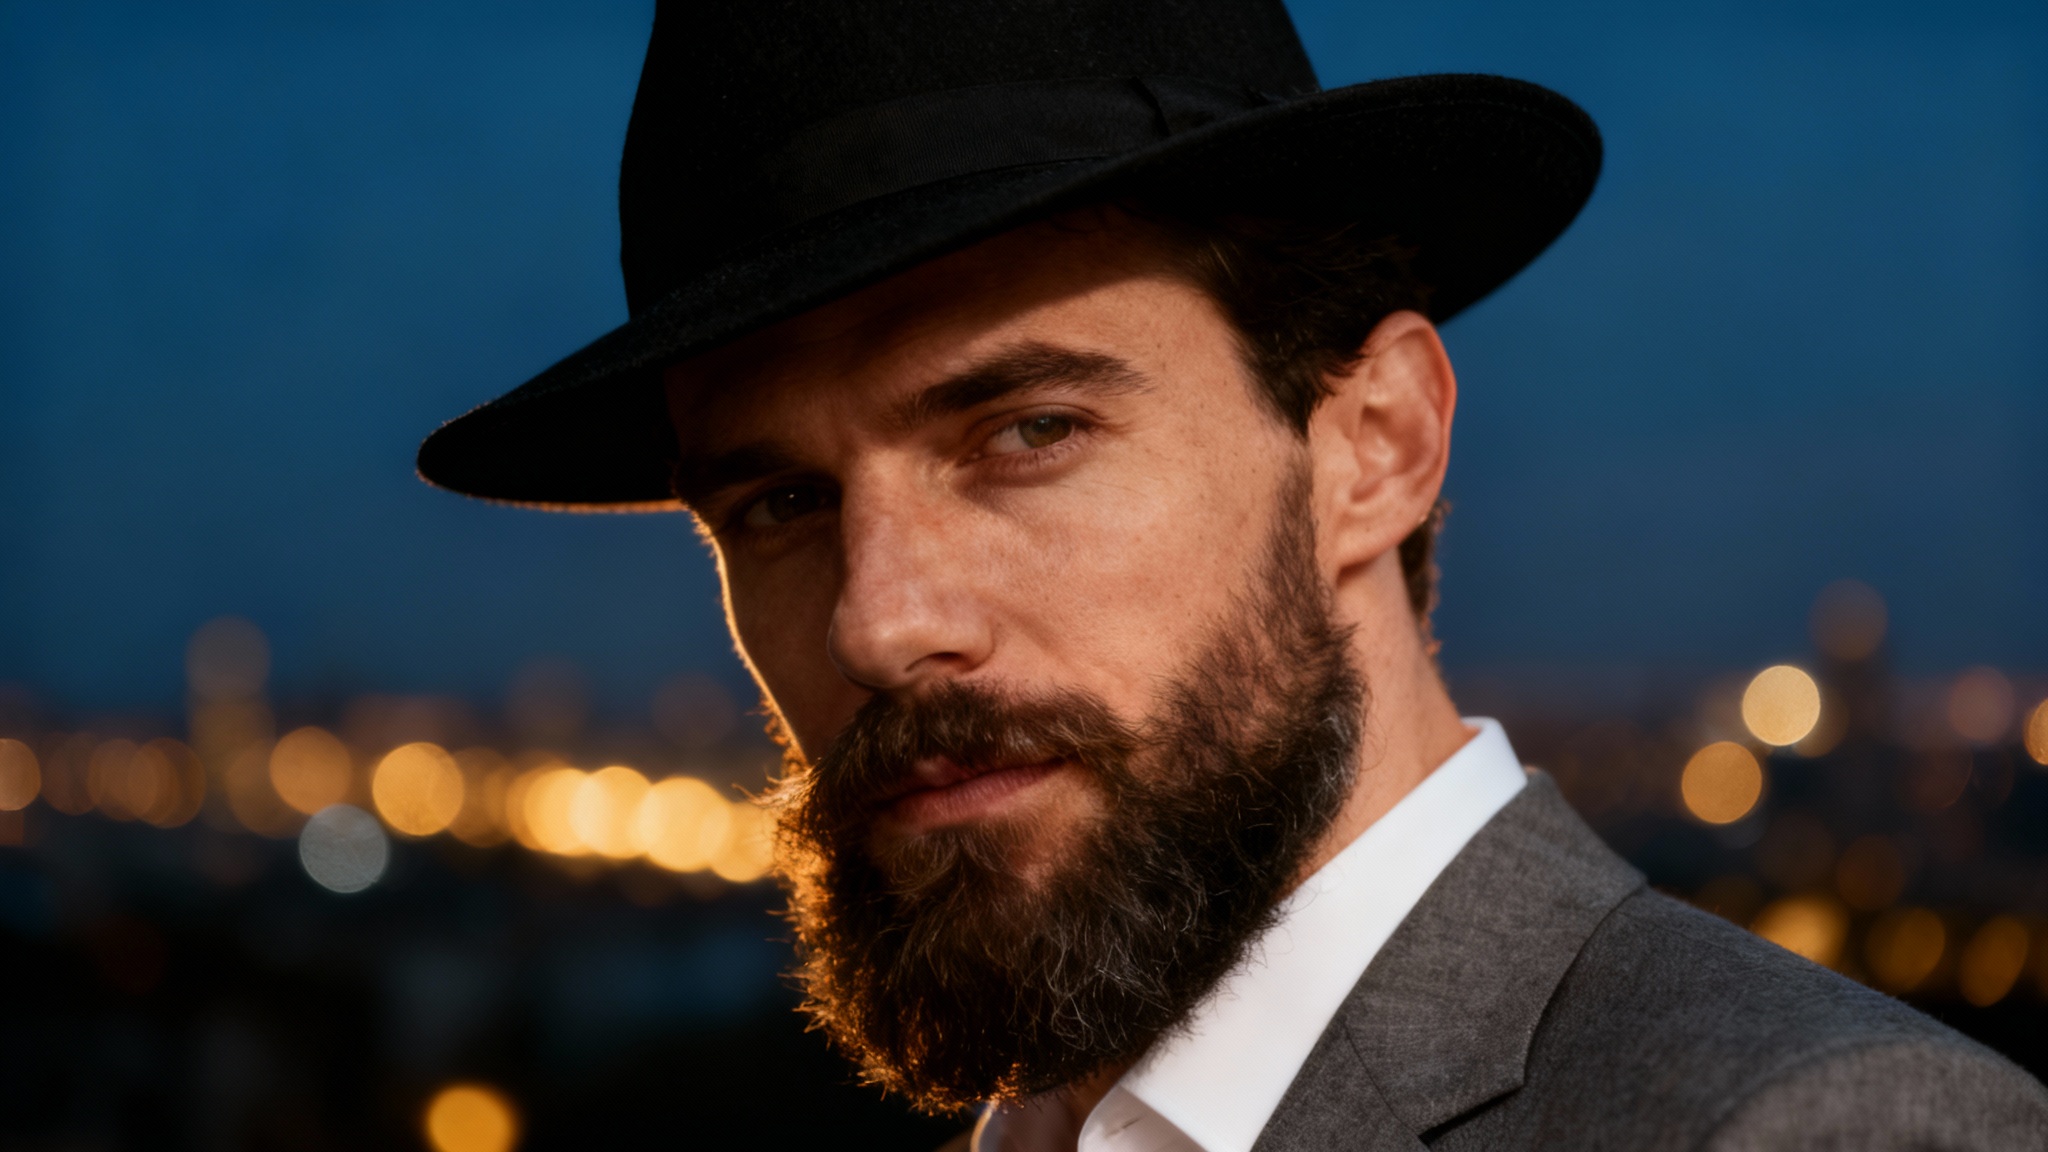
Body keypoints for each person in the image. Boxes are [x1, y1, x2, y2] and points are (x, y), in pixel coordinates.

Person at [417, 2, 2048, 1148]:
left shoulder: (1810, 1128)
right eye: (779, 502)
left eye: (1030, 432)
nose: (879, 618)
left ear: (1376, 446)